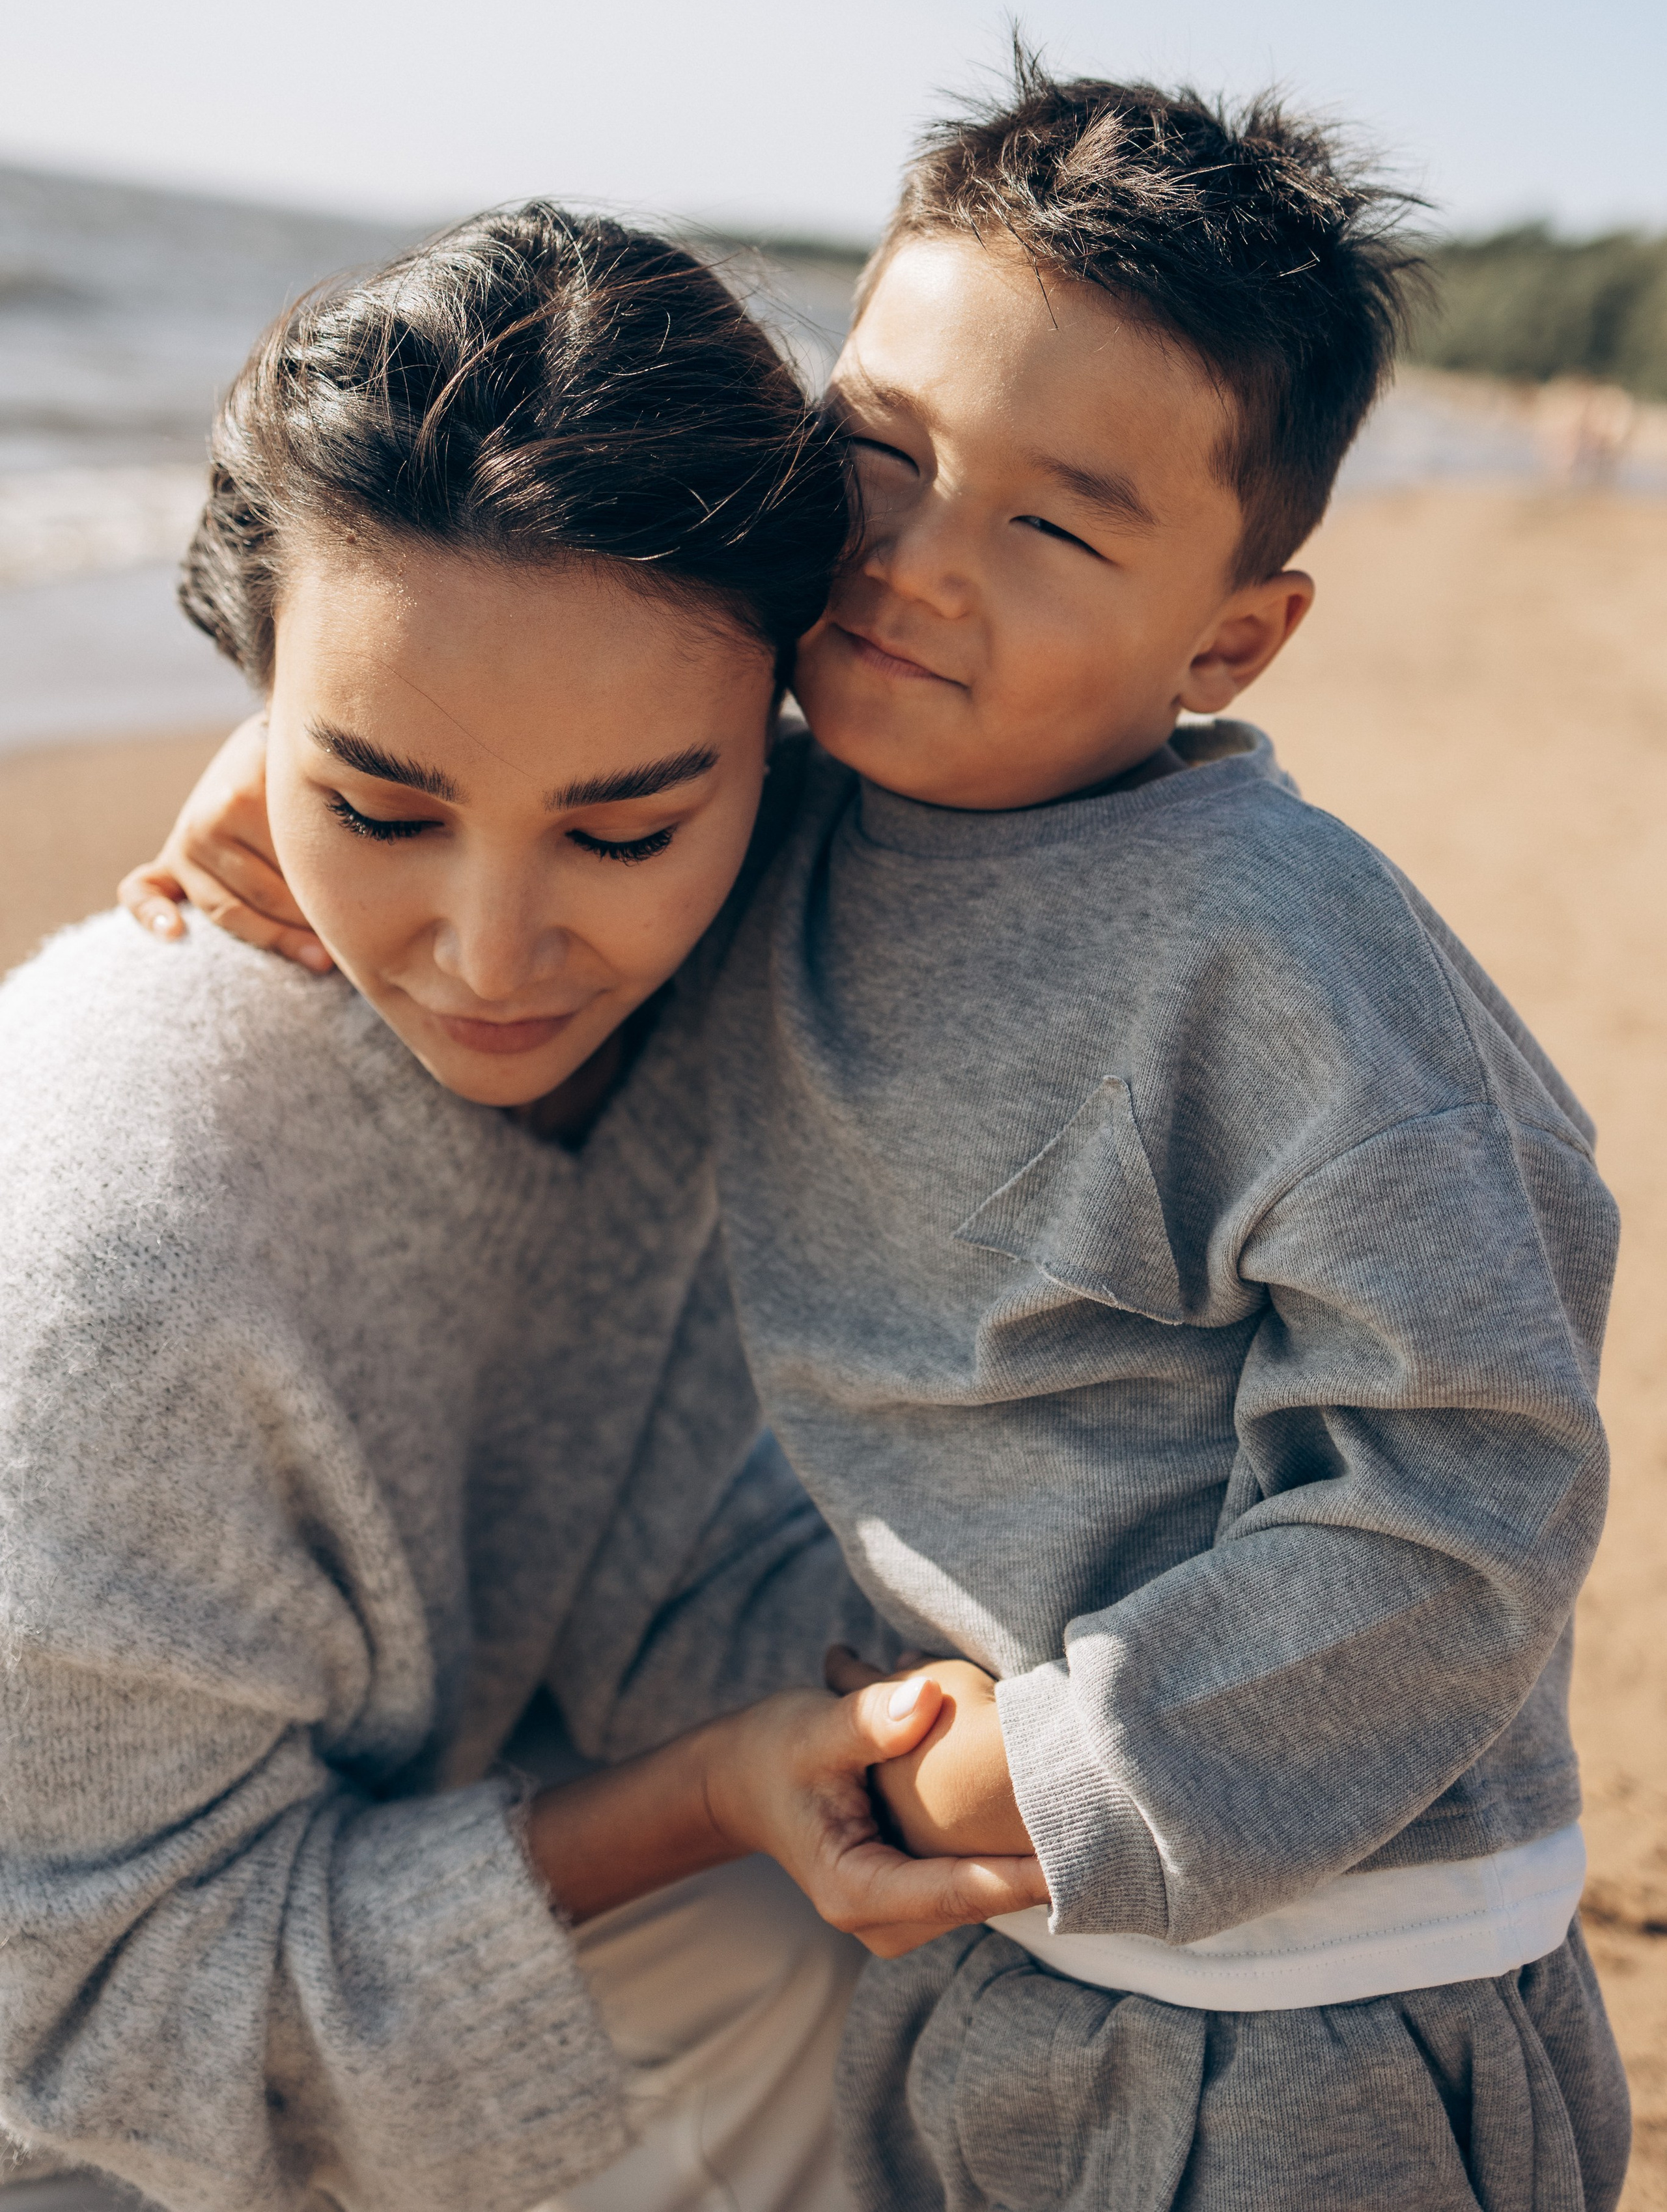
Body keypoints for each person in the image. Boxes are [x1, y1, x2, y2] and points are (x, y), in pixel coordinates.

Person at [125, 59, 1631, 2212]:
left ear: (1230, 635)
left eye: (1053, 526)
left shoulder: (1283, 961)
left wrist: (1073, 1761)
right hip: (994, 1939)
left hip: (1318, 1984)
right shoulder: (805, 823)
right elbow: (567, 741)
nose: (917, 566)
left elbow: (1476, 1478)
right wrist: (291, 750)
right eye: (885, 457)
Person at [0, 203, 1046, 2212]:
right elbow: (86, 2028)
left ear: (788, 740)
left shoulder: (782, 930)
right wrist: (709, 1800)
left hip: (402, 1830)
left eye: (626, 826)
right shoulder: (117, 1241)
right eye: (379, 807)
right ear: (258, 702)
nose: (492, 954)